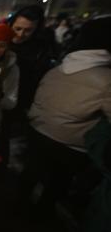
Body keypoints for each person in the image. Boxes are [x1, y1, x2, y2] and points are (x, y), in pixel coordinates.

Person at [25, 16, 111, 217]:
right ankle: (41, 214)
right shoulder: (107, 79)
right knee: (58, 181)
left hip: (37, 129)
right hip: (70, 145)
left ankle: (20, 207)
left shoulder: (58, 68)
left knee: (32, 173)